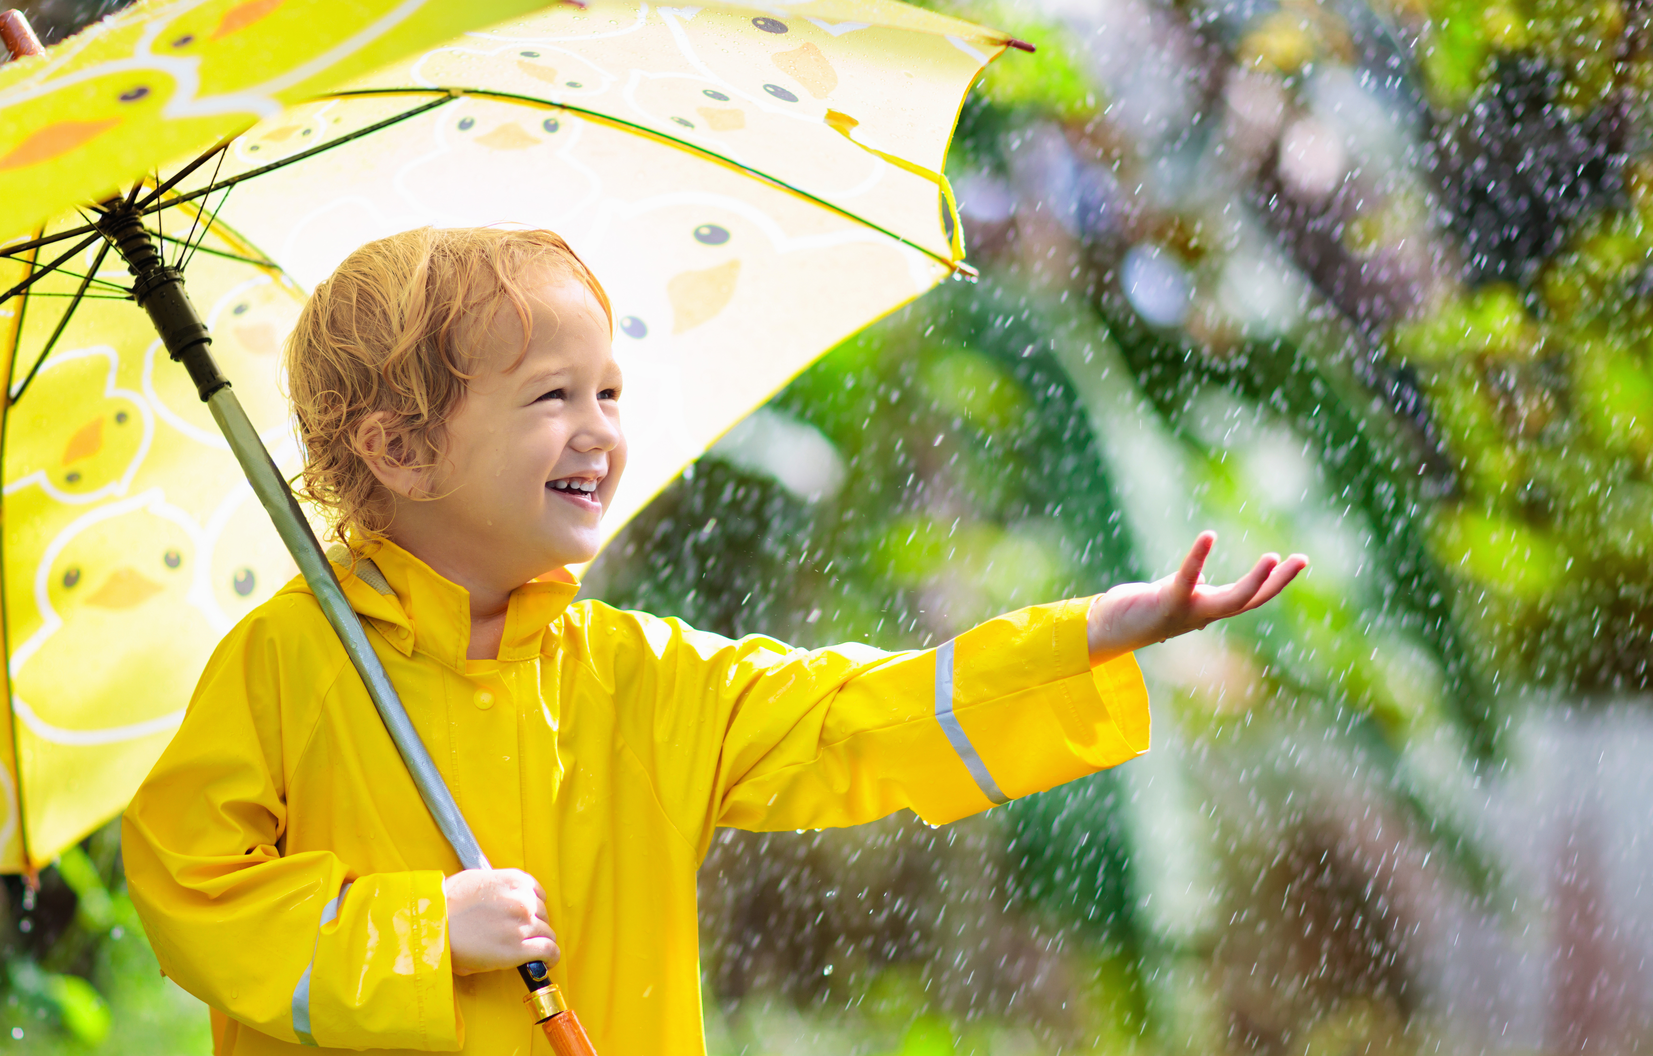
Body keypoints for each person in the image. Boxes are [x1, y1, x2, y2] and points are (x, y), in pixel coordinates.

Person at [121, 227, 1306, 1056]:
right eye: (549, 397)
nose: (598, 430)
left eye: (609, 393)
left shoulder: (635, 674)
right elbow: (192, 892)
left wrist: (1086, 637)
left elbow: (852, 715)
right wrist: (420, 931)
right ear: (402, 450)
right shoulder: (284, 668)